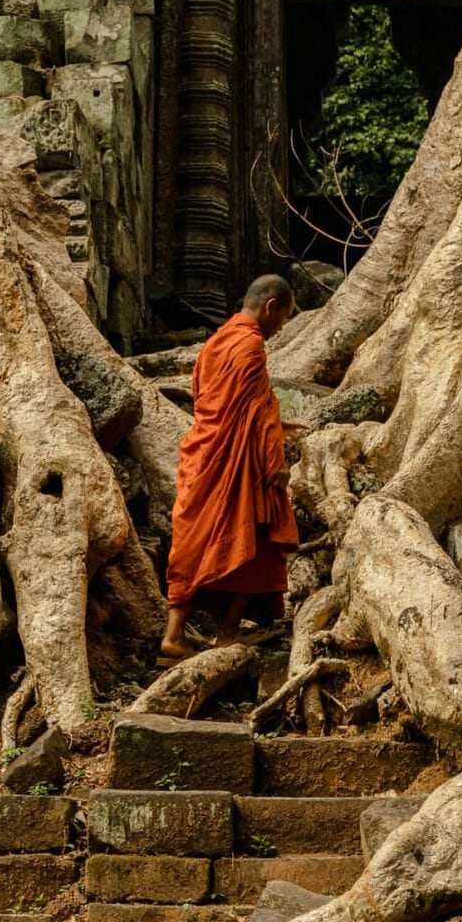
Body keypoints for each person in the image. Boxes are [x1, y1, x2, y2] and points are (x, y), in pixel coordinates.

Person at [160, 275, 300, 664]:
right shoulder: (251, 345)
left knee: (191, 547)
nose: (279, 330)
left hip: (202, 456)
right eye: (283, 319)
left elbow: (206, 399)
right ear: (270, 307)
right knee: (260, 537)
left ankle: (173, 637)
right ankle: (227, 631)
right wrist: (276, 464)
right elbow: (257, 413)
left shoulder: (214, 344)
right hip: (234, 462)